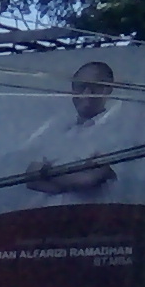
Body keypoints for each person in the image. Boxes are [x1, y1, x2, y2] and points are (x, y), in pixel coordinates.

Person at [23, 60, 127, 195]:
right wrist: (68, 180)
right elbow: (31, 179)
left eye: (93, 87)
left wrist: (47, 173)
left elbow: (87, 180)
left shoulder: (115, 132)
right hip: (52, 214)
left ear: (108, 89)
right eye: (80, 86)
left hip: (96, 213)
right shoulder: (57, 133)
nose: (86, 93)